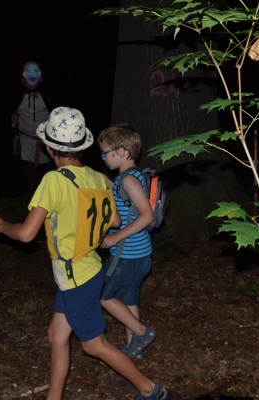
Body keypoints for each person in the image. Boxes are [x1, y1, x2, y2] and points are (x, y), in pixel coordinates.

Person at [0, 107, 169, 400]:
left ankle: (150, 389)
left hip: (75, 278)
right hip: (89, 268)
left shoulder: (54, 181)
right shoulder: (95, 177)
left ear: (49, 148)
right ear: (82, 145)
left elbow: (26, 234)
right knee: (56, 336)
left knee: (94, 345)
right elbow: (115, 220)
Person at [98, 123, 156, 359]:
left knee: (103, 295)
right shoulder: (132, 176)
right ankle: (134, 348)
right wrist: (107, 182)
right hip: (139, 253)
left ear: (121, 152)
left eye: (105, 153)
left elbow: (146, 216)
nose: (103, 158)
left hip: (128, 254)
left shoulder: (128, 180)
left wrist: (114, 237)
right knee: (129, 298)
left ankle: (141, 333)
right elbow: (126, 198)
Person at [10, 61, 63, 195]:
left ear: (41, 77)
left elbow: (58, 114)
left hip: (46, 143)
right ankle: (34, 199)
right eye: (28, 71)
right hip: (26, 142)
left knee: (51, 175)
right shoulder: (15, 95)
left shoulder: (49, 94)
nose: (32, 74)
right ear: (23, 77)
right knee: (30, 177)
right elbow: (7, 115)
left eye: (35, 71)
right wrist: (12, 120)